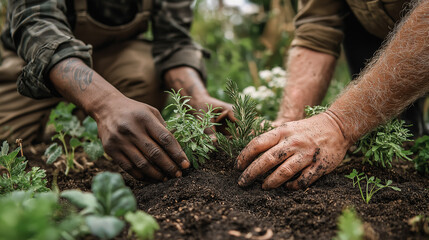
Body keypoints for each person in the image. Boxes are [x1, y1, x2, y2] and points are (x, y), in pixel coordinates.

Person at [0, 0, 234, 181]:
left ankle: (85, 130)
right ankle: (69, 125)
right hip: (31, 61)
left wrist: (198, 98)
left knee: (145, 74)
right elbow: (36, 24)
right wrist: (105, 104)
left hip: (115, 58)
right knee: (8, 140)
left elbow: (174, 41)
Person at [236, 0, 428, 190]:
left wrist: (339, 124)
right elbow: (317, 28)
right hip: (379, 37)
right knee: (407, 137)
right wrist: (289, 120)